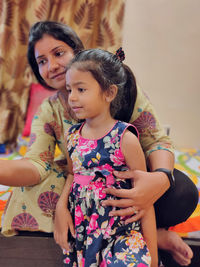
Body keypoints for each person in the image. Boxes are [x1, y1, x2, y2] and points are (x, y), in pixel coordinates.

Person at [0, 21, 198, 266]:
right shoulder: (51, 110)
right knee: (32, 188)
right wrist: (62, 206)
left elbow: (156, 140)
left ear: (76, 51)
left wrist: (160, 178)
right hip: (83, 194)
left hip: (130, 181)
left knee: (182, 191)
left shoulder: (122, 96)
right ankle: (157, 236)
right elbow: (37, 164)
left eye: (59, 53)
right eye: (41, 61)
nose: (52, 66)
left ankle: (141, 236)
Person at [56, 48, 157, 266]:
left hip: (121, 233)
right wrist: (61, 207)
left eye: (81, 89)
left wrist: (153, 256)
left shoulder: (125, 137)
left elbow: (145, 200)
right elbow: (72, 175)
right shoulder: (72, 135)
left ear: (109, 93)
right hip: (85, 236)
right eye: (69, 90)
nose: (72, 98)